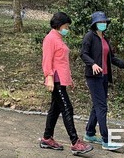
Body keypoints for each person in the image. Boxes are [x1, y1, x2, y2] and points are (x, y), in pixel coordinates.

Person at [81, 11, 124, 151]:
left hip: (104, 77)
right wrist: (92, 64)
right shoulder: (89, 37)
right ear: (95, 24)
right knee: (102, 107)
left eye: (105, 22)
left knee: (97, 105)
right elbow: (83, 54)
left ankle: (89, 133)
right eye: (100, 22)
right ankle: (106, 140)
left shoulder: (105, 38)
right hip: (93, 77)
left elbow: (111, 57)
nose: (103, 24)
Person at [40, 12, 94, 154]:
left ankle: (47, 138)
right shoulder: (50, 39)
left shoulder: (59, 38)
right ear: (59, 25)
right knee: (67, 108)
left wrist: (69, 80)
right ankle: (75, 142)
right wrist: (49, 78)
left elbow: (62, 62)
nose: (67, 29)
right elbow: (47, 60)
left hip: (62, 80)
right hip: (56, 80)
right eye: (66, 26)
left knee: (55, 109)